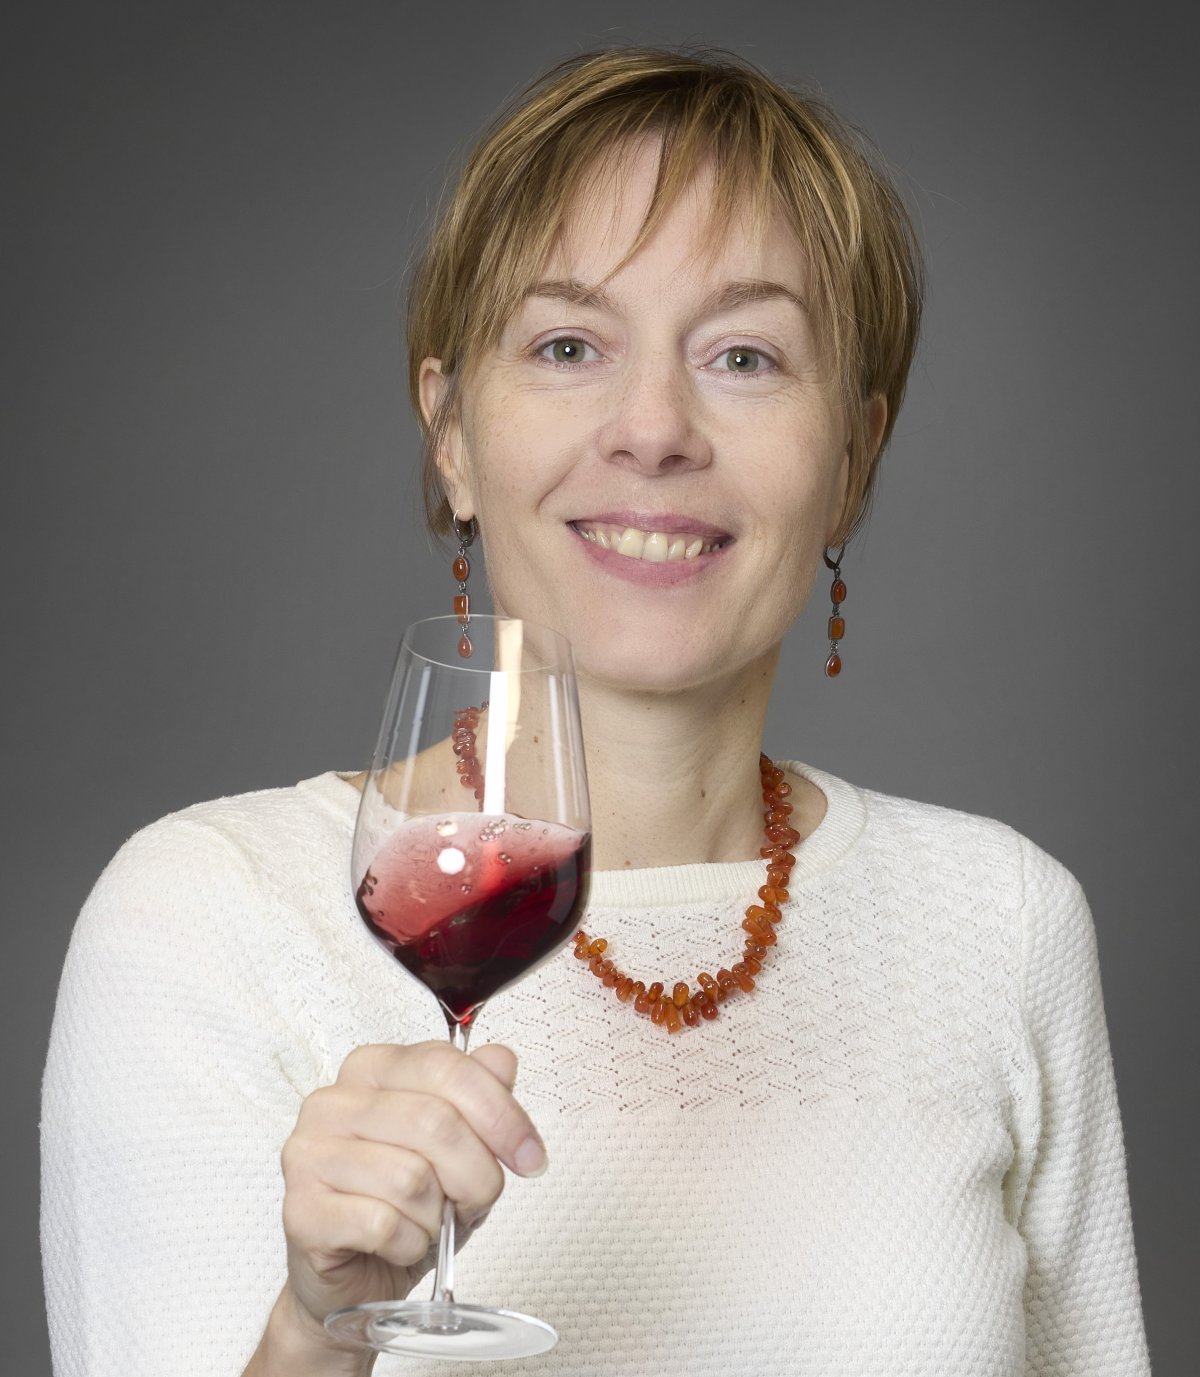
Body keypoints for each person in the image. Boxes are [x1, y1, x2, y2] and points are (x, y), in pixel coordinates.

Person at [41, 46, 1152, 1377]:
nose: (654, 427)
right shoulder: (207, 917)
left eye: (743, 354)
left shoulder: (1007, 921)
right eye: (569, 344)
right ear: (450, 433)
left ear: (851, 460)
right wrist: (317, 1327)